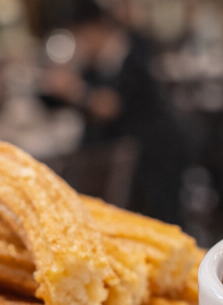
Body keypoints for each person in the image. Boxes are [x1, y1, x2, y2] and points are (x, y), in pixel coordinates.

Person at [42, 0, 191, 225]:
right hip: (130, 151)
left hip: (159, 148)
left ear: (94, 28)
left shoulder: (134, 52)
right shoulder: (98, 62)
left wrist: (73, 90)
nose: (79, 44)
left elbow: (109, 107)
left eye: (79, 36)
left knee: (165, 218)